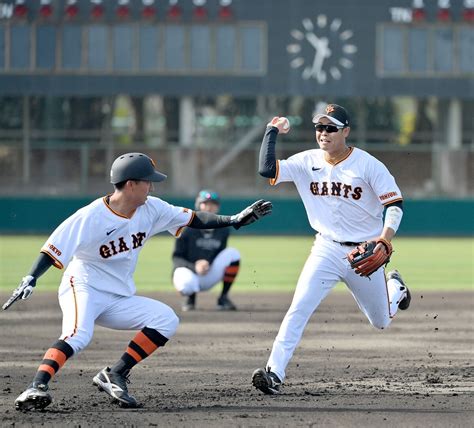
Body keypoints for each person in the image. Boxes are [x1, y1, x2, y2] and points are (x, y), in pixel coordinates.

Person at [4, 152, 272, 411]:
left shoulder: (152, 208)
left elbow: (194, 218)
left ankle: (115, 374)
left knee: (166, 318)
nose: (152, 187)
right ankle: (36, 387)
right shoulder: (90, 216)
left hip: (117, 296)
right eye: (148, 181)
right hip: (83, 287)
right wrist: (31, 277)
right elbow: (53, 248)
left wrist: (234, 220)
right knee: (78, 335)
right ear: (130, 184)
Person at [251, 105, 411, 395]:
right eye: (319, 127)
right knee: (298, 308)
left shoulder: (368, 165)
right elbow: (267, 169)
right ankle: (274, 373)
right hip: (325, 248)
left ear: (346, 131)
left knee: (381, 322)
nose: (323, 133)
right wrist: (272, 130)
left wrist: (385, 240)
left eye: (331, 128)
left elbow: (394, 204)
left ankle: (396, 289)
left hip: (364, 251)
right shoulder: (306, 161)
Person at [172, 189, 241, 311]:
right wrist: (195, 267)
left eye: (213, 204)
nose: (209, 207)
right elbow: (176, 258)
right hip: (190, 273)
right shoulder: (186, 229)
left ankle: (223, 297)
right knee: (186, 284)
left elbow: (220, 254)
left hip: (209, 274)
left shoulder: (223, 230)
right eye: (206, 203)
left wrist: (207, 264)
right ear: (199, 205)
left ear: (217, 208)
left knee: (233, 254)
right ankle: (190, 298)